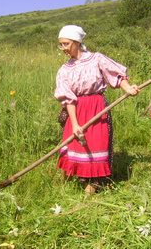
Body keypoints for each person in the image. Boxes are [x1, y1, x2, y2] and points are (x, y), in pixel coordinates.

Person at [54, 25, 140, 194]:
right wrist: (75, 123)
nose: (63, 48)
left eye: (66, 44)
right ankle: (65, 189)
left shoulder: (96, 59)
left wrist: (128, 88)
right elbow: (68, 99)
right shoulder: (64, 70)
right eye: (61, 45)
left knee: (95, 146)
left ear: (77, 42)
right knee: (73, 146)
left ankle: (92, 188)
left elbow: (117, 75)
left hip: (97, 108)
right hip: (76, 111)